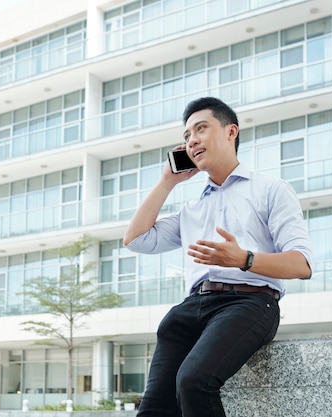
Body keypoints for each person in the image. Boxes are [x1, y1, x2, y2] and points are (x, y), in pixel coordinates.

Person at [123, 97, 314, 417]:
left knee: (193, 381)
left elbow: (302, 264)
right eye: (186, 136)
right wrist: (166, 182)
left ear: (231, 132)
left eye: (201, 128)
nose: (192, 140)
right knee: (154, 406)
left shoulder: (271, 189)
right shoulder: (192, 209)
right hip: (192, 307)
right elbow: (136, 239)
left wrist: (244, 259)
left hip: (250, 303)